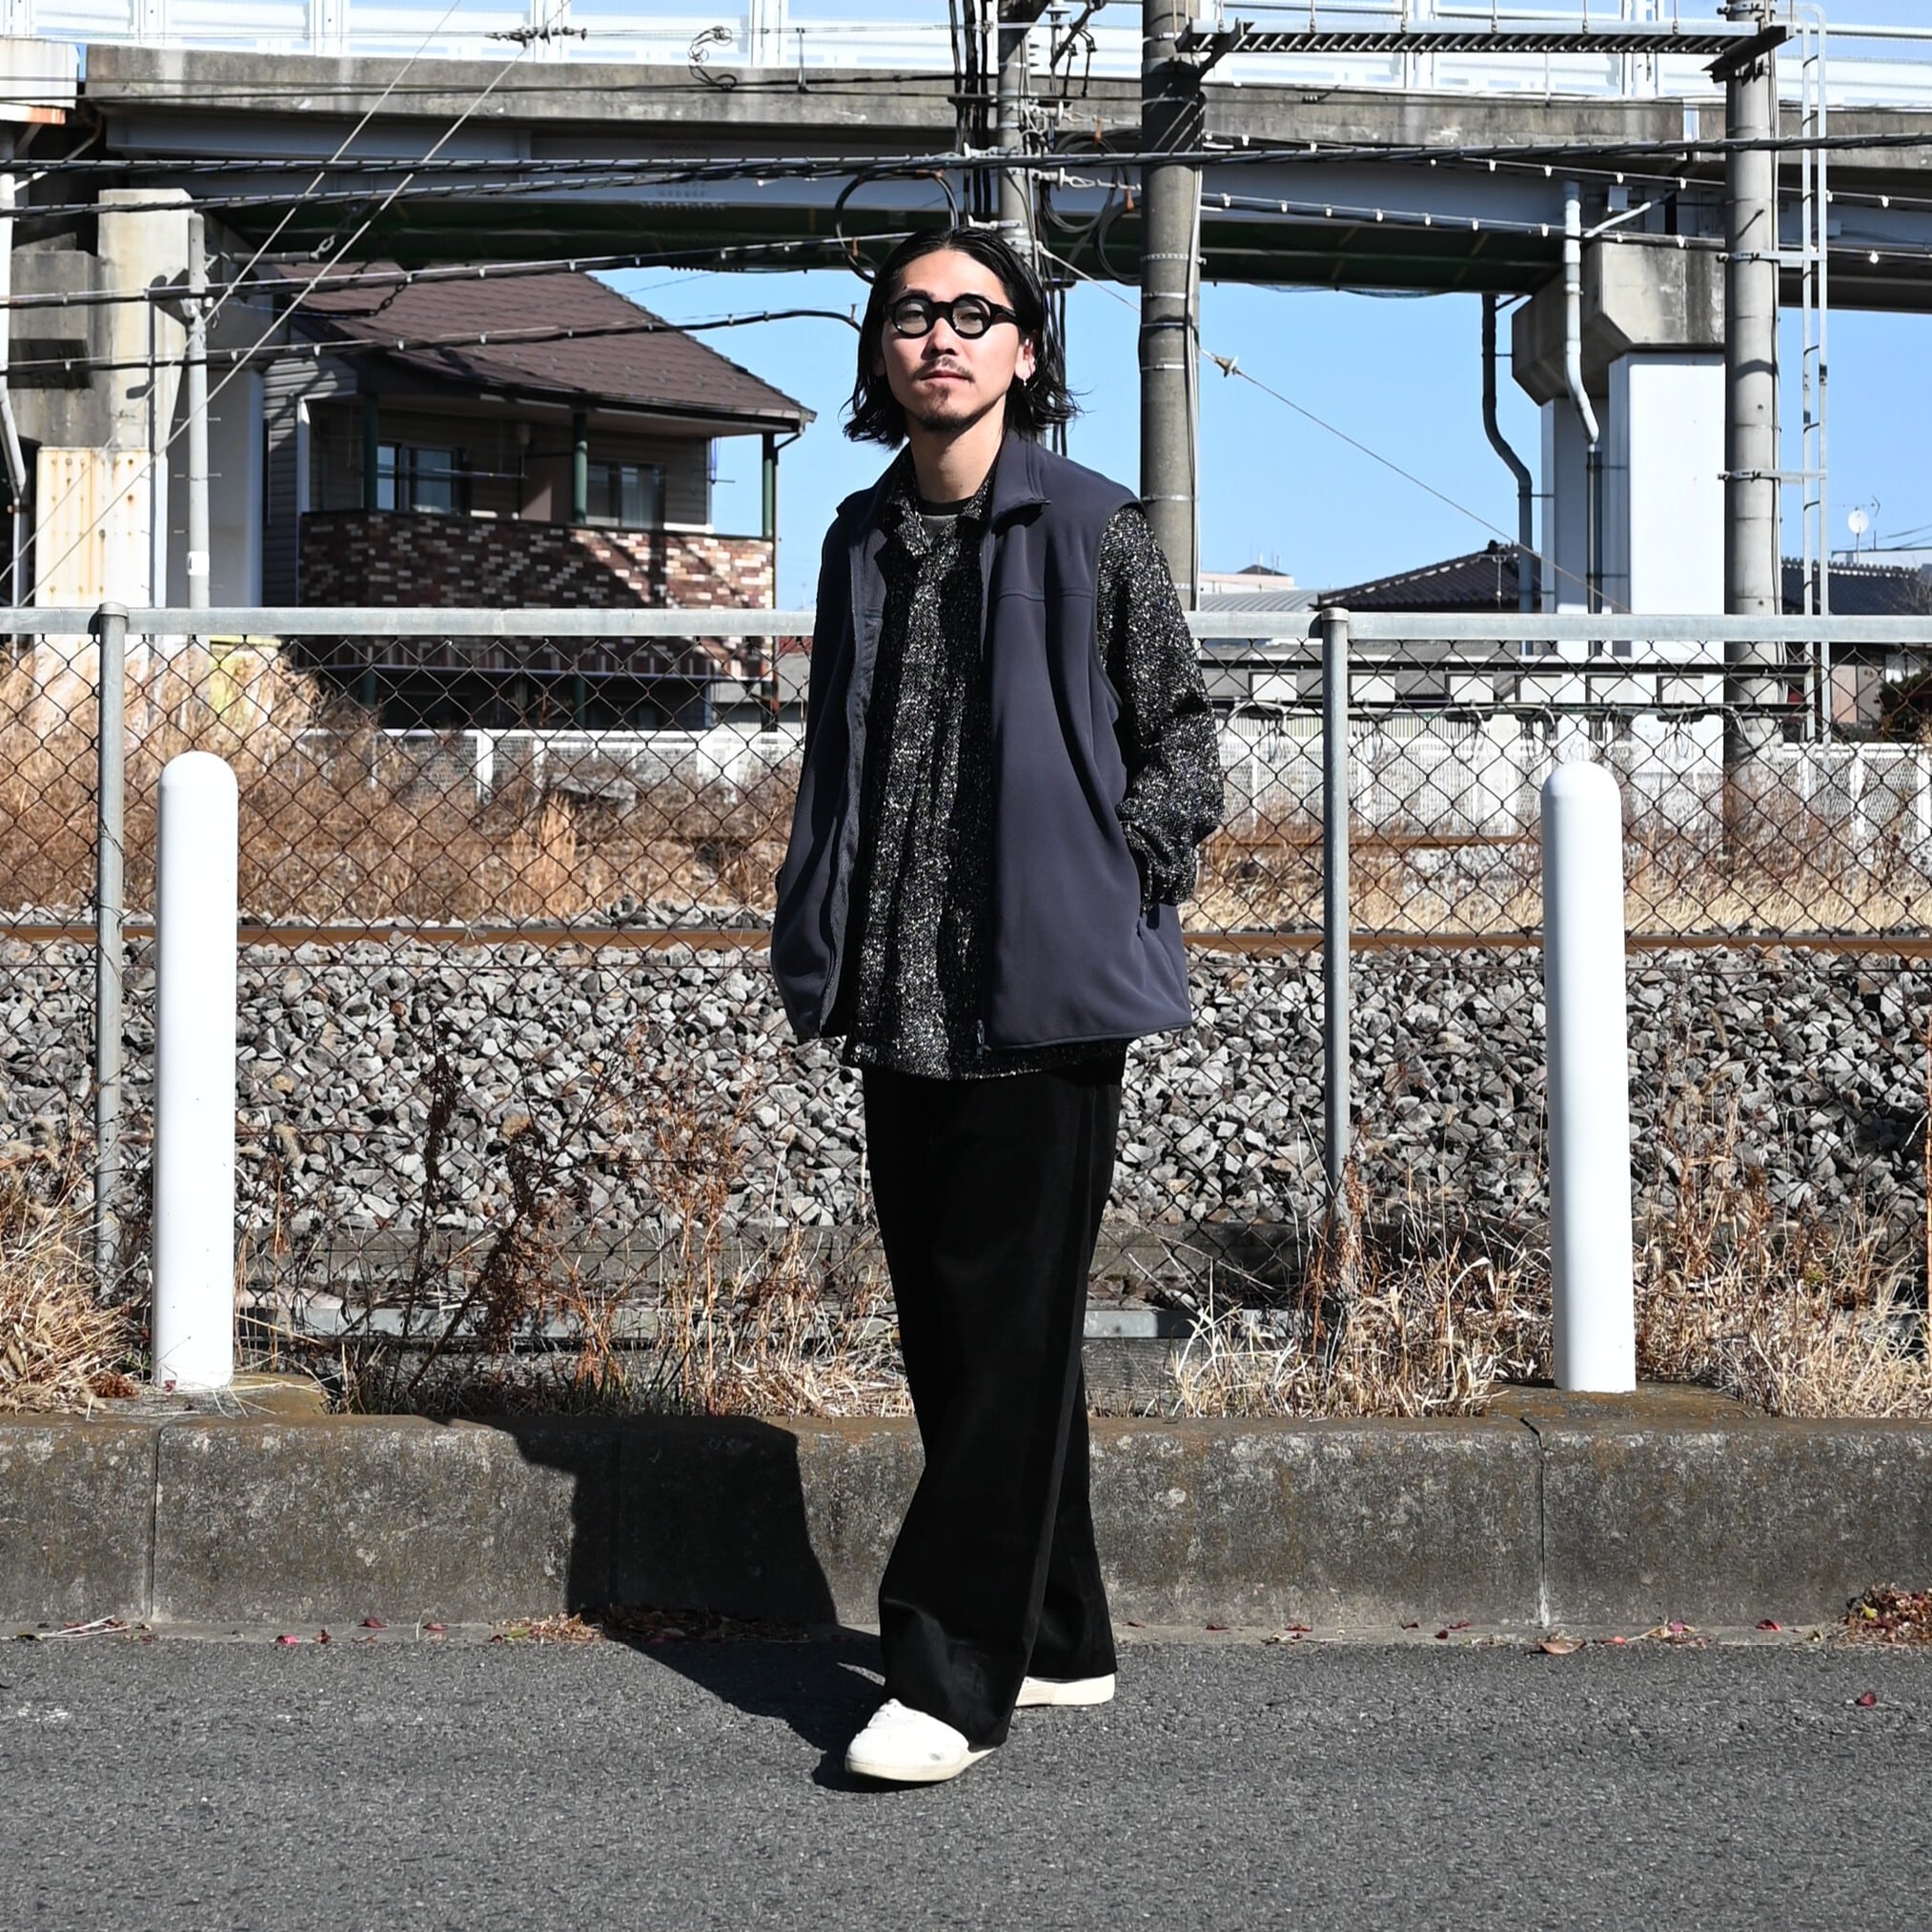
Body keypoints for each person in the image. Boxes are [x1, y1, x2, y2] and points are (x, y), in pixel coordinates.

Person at [771, 225, 1224, 1784]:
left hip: (1044, 999)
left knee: (1013, 1333)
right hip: (898, 996)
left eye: (977, 315)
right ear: (879, 353)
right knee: (962, 1339)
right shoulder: (857, 538)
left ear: (1025, 353)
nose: (943, 337)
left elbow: (1182, 739)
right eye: (913, 314)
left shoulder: (1094, 526)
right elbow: (837, 759)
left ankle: (951, 1677)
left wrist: (1115, 870)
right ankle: (1062, 1632)